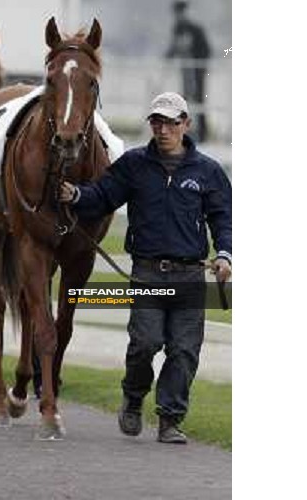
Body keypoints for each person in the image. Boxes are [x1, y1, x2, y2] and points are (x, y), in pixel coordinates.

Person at [58, 92, 231, 444]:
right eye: (156, 122)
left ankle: (170, 420)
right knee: (145, 343)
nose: (162, 129)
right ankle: (133, 398)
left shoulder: (209, 171)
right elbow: (103, 196)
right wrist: (76, 196)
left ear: (186, 123)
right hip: (148, 272)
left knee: (184, 351)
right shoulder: (133, 165)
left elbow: (223, 218)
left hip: (190, 276)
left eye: (170, 122)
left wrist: (226, 254)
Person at [165, 0, 211, 142]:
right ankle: (186, 131)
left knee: (199, 100)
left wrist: (198, 65)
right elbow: (174, 48)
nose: (179, 15)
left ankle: (202, 134)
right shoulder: (177, 29)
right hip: (185, 71)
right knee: (184, 101)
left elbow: (206, 50)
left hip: (197, 71)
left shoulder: (196, 29)